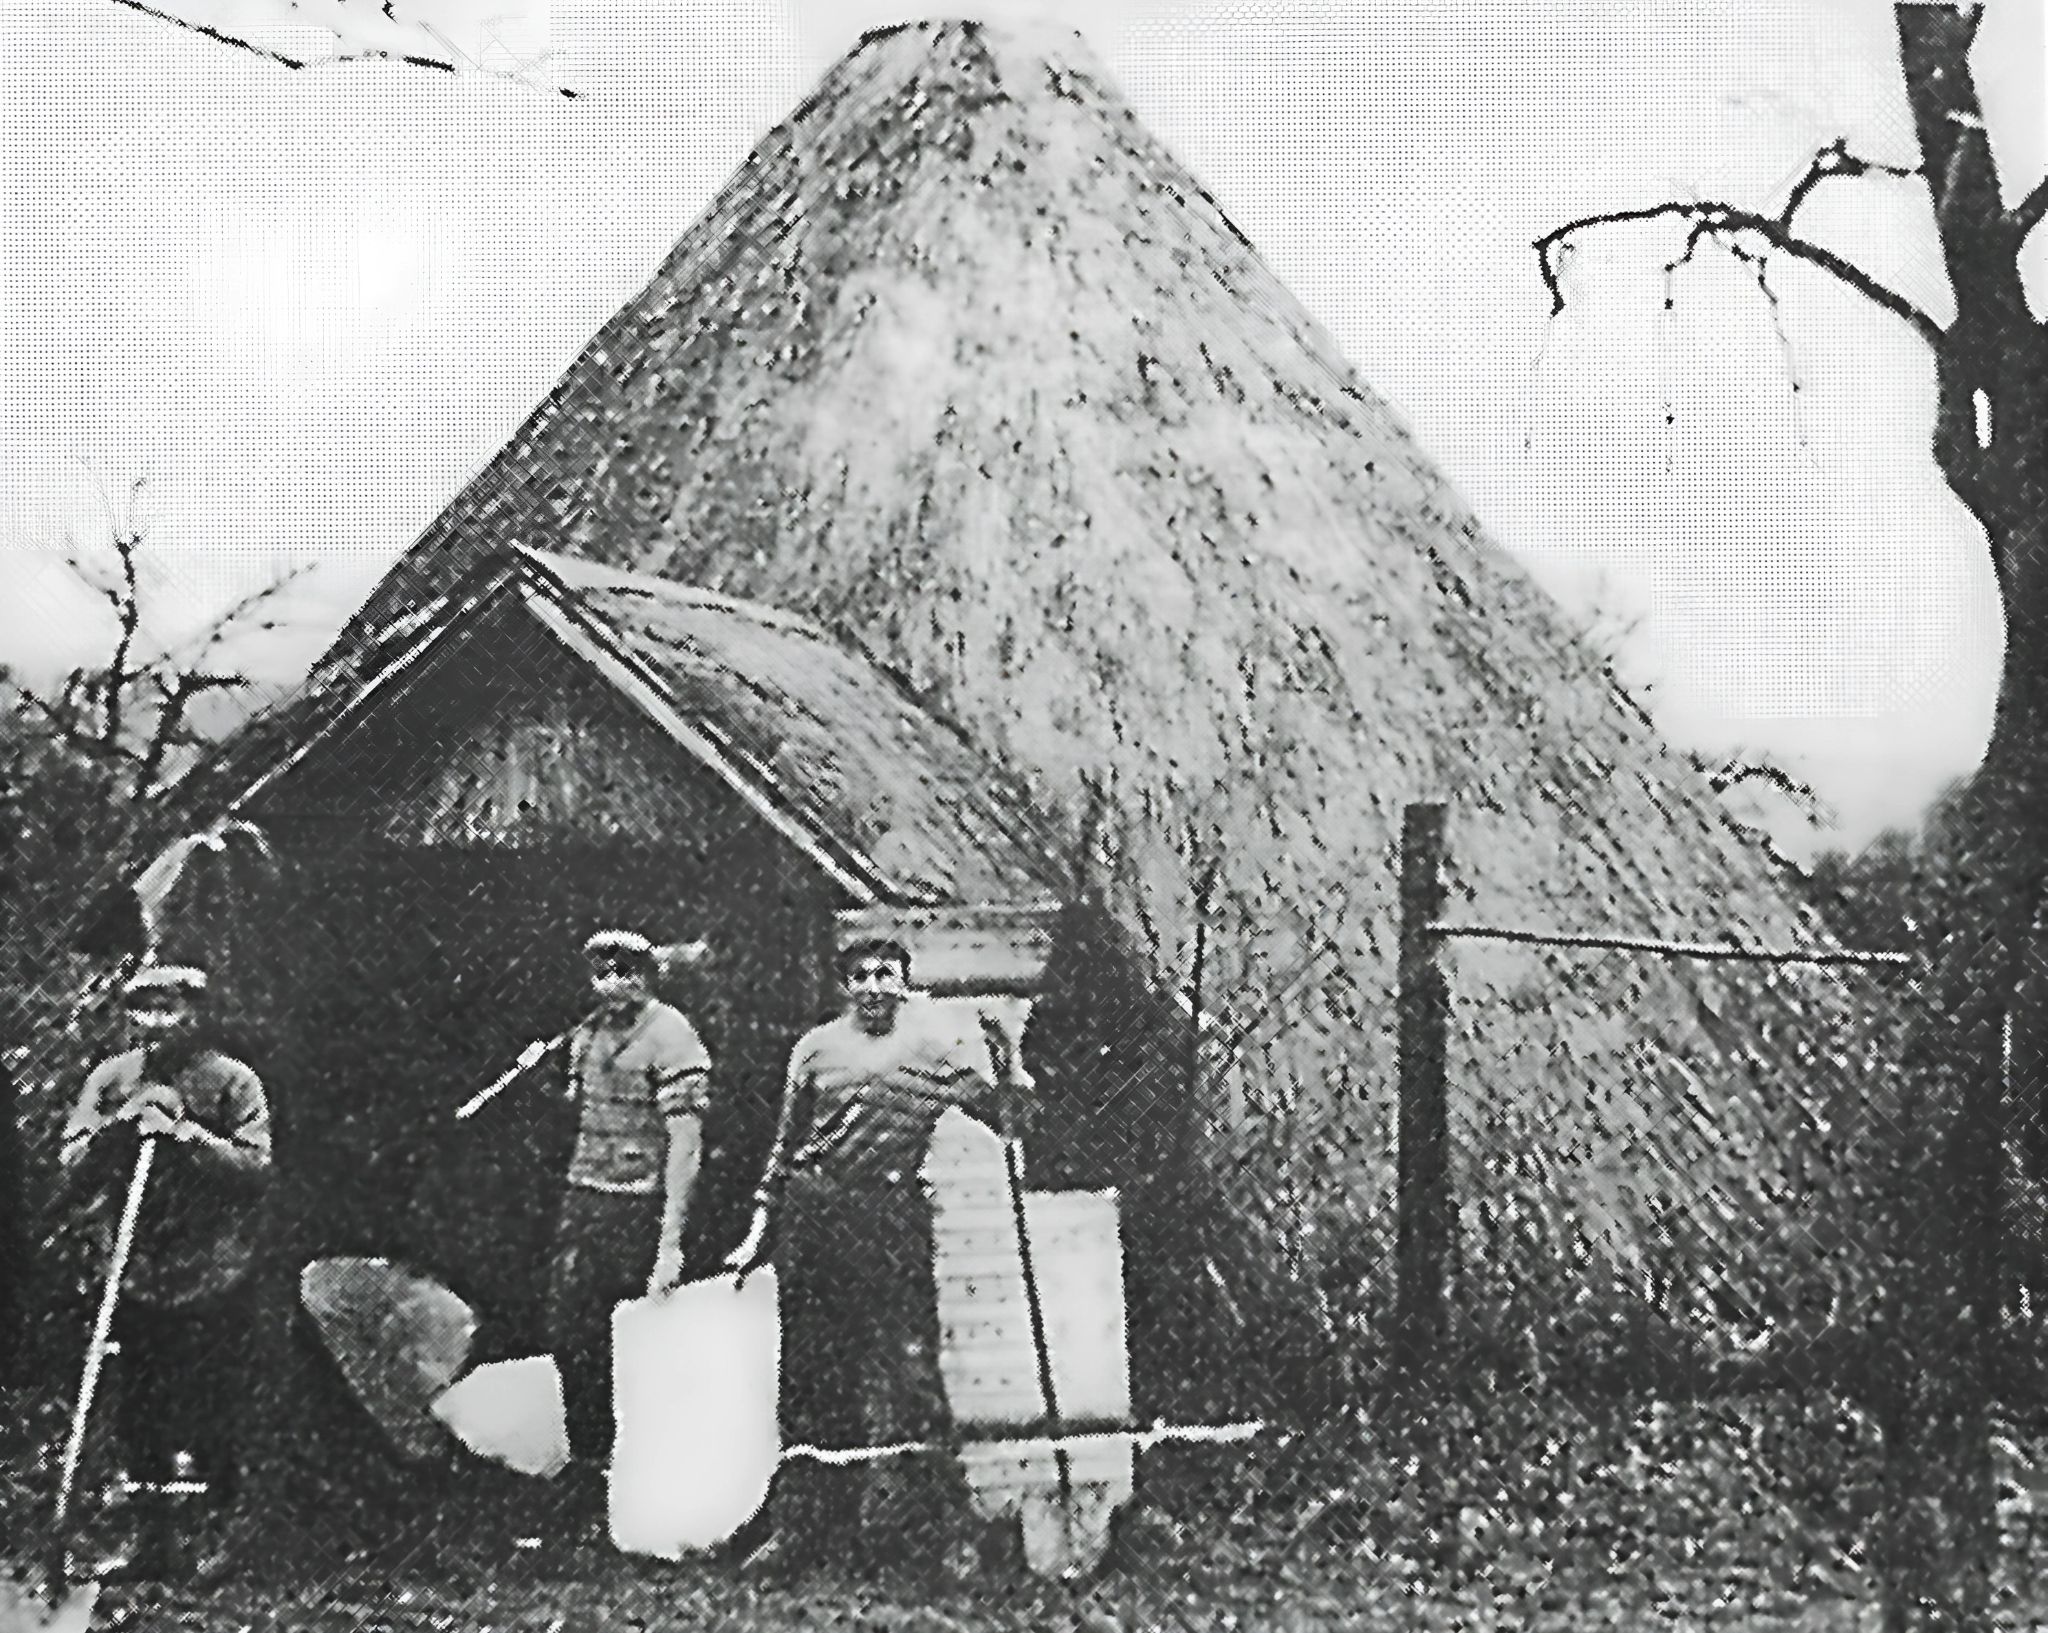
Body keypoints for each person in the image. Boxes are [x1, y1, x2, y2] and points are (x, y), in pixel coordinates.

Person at [735, 938, 1014, 1585]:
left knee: (908, 1375)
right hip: (815, 1217)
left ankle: (931, 1536)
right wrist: (758, 1231)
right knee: (809, 1376)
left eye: (886, 973)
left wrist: (1004, 1054)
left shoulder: (937, 1049)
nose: (874, 986)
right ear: (846, 986)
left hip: (888, 1221)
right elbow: (784, 1147)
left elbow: (1001, 1109)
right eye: (860, 976)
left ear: (905, 982)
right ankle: (801, 1531)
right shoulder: (815, 1048)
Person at [57, 962, 272, 1584]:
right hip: (134, 1266)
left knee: (208, 1402)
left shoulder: (234, 1082)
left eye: (169, 1008)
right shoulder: (112, 1079)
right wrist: (117, 1131)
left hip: (211, 1268)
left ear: (196, 1013)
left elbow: (257, 1168)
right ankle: (154, 1538)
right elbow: (72, 1166)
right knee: (141, 1407)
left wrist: (185, 1135)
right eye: (143, 1010)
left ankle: (213, 1533)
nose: (154, 1023)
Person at [544, 927, 711, 1527]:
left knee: (646, 1345)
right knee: (574, 1338)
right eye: (604, 970)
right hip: (584, 1201)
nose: (617, 982)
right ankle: (589, 1479)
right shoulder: (584, 1034)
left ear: (649, 975)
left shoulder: (671, 1036)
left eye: (629, 970)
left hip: (638, 1208)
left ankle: (656, 1486)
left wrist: (670, 1245)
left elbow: (685, 1146)